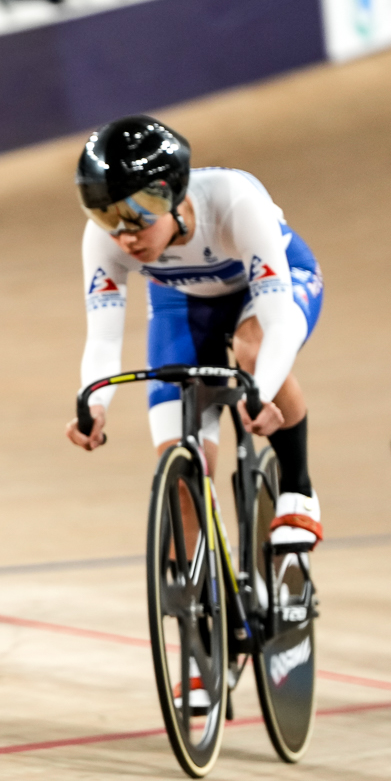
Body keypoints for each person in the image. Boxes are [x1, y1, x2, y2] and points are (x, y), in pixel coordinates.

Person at [66, 116, 325, 556]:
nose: (123, 235)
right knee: (184, 480)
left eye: (135, 214)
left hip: (274, 285)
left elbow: (278, 321)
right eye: (105, 215)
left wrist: (260, 391)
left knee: (252, 347)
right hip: (183, 302)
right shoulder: (103, 239)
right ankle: (210, 611)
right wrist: (95, 403)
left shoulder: (236, 201)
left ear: (172, 193)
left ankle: (298, 490)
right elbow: (103, 341)